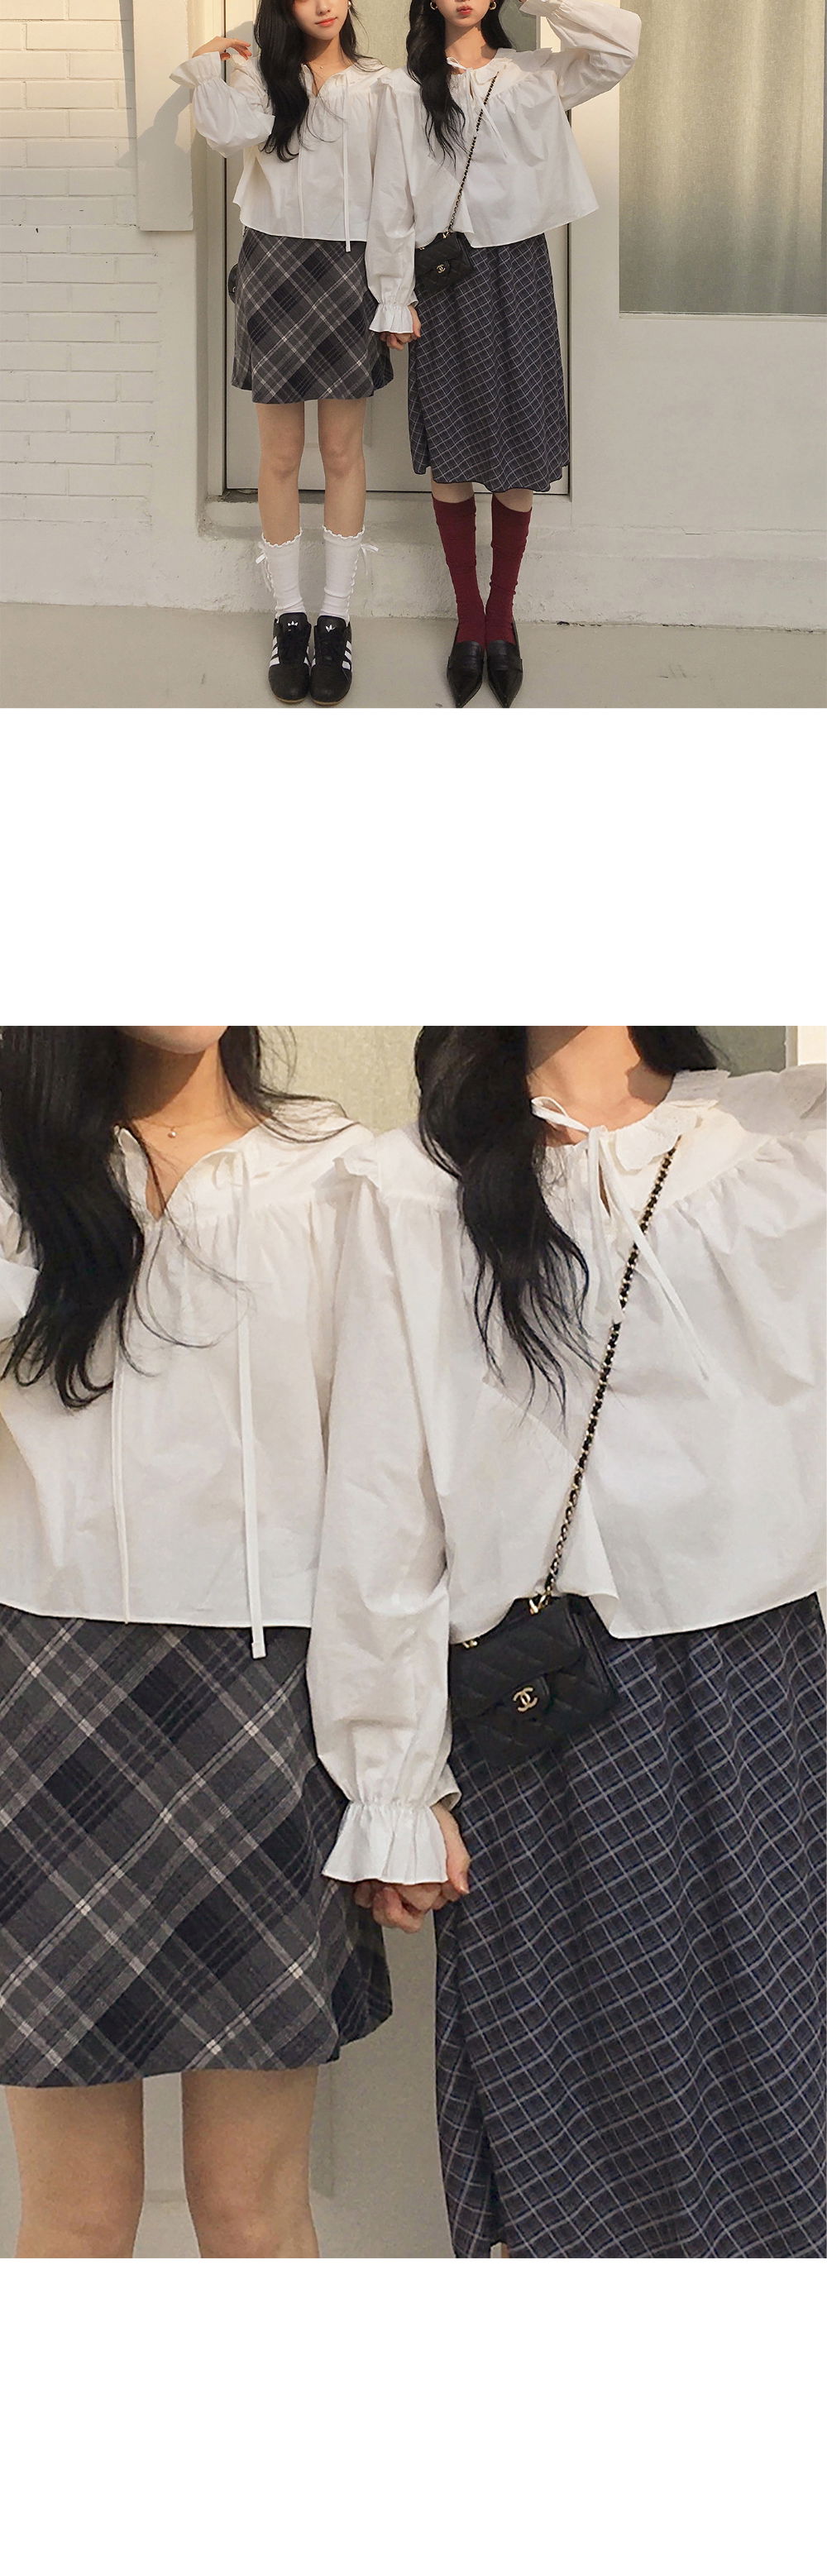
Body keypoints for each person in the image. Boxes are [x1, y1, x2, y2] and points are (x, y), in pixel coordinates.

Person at [308, 1027, 825, 2257]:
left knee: (787, 2120)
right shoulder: (414, 1183)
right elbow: (382, 1494)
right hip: (543, 1720)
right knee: (581, 2159)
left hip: (761, 1700)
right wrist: (395, 1780)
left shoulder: (781, 1138)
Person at [0, 1026, 390, 2259]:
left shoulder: (341, 1171)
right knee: (73, 2214)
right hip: (38, 1696)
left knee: (249, 2206)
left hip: (270, 1700)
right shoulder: (17, 1171)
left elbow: (386, 1480)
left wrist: (396, 1765)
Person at [366, 1, 640, 706]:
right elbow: (390, 194)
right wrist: (393, 294)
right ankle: (468, 619)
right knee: (453, 447)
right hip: (443, 276)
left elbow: (618, 49)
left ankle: (501, 619)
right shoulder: (404, 87)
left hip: (518, 270)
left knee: (519, 441)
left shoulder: (533, 75)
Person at [172, 6, 393, 706]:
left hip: (351, 270)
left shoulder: (382, 84)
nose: (324, 3)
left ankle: (336, 619)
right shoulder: (265, 79)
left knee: (342, 452)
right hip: (274, 266)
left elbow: (396, 195)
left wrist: (395, 290)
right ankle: (289, 617)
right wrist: (213, 57)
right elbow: (225, 133)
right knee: (278, 455)